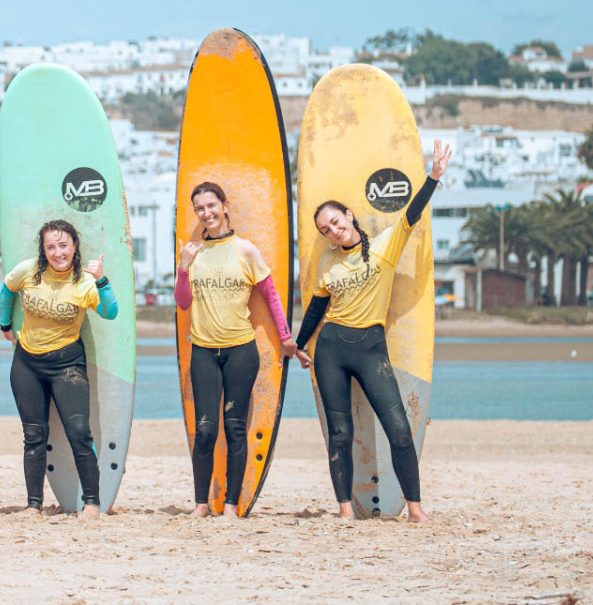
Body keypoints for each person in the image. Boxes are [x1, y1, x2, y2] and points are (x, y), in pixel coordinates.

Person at [294, 140, 453, 524]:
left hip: (371, 348)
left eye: (335, 221)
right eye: (325, 229)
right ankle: (345, 509)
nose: (333, 230)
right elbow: (316, 308)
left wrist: (432, 177)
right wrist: (298, 346)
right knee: (340, 433)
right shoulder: (328, 263)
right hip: (331, 349)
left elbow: (412, 215)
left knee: (399, 430)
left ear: (349, 216)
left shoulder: (385, 246)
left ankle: (415, 509)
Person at [174, 182, 295, 518]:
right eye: (199, 208)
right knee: (206, 429)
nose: (206, 213)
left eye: (212, 206)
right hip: (203, 352)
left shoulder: (246, 250)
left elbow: (271, 297)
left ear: (225, 206)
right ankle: (200, 505)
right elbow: (183, 303)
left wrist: (285, 338)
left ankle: (230, 505)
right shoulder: (193, 252)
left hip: (241, 350)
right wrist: (183, 266)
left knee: (235, 427)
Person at [0, 219, 117, 518]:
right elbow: (6, 290)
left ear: (75, 247)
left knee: (78, 431)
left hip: (67, 365)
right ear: (44, 250)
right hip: (27, 363)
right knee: (34, 436)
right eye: (51, 247)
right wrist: (5, 324)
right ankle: (33, 505)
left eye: (63, 245)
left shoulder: (84, 282)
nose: (57, 252)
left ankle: (91, 503)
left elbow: (110, 312)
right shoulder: (28, 271)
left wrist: (102, 281)